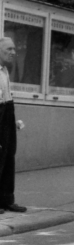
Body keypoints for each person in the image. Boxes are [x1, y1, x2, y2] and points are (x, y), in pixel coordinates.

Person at [0, 37, 26, 213]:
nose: (13, 52)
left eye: (14, 49)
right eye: (8, 49)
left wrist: (13, 122)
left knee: (9, 157)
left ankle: (6, 199)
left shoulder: (4, 71)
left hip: (7, 114)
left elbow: (6, 98)